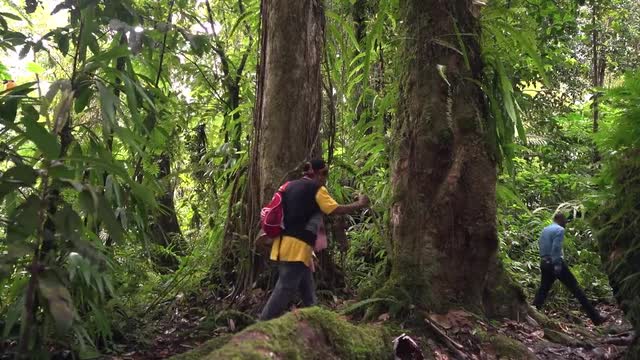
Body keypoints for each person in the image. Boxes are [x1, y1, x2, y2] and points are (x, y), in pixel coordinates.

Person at [259, 159, 369, 320]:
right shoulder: (316, 189)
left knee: (307, 285)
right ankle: (262, 324)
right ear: (316, 174)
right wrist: (359, 204)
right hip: (296, 247)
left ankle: (316, 318)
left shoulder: (288, 186)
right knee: (285, 287)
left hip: (284, 244)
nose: (325, 178)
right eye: (324, 173)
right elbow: (334, 209)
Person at [532, 213, 604, 325]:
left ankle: (533, 313)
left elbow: (541, 244)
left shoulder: (545, 229)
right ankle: (596, 318)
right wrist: (557, 264)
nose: (565, 223)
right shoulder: (559, 230)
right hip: (555, 262)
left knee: (543, 290)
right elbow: (556, 247)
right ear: (560, 220)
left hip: (544, 262)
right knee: (576, 289)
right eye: (565, 221)